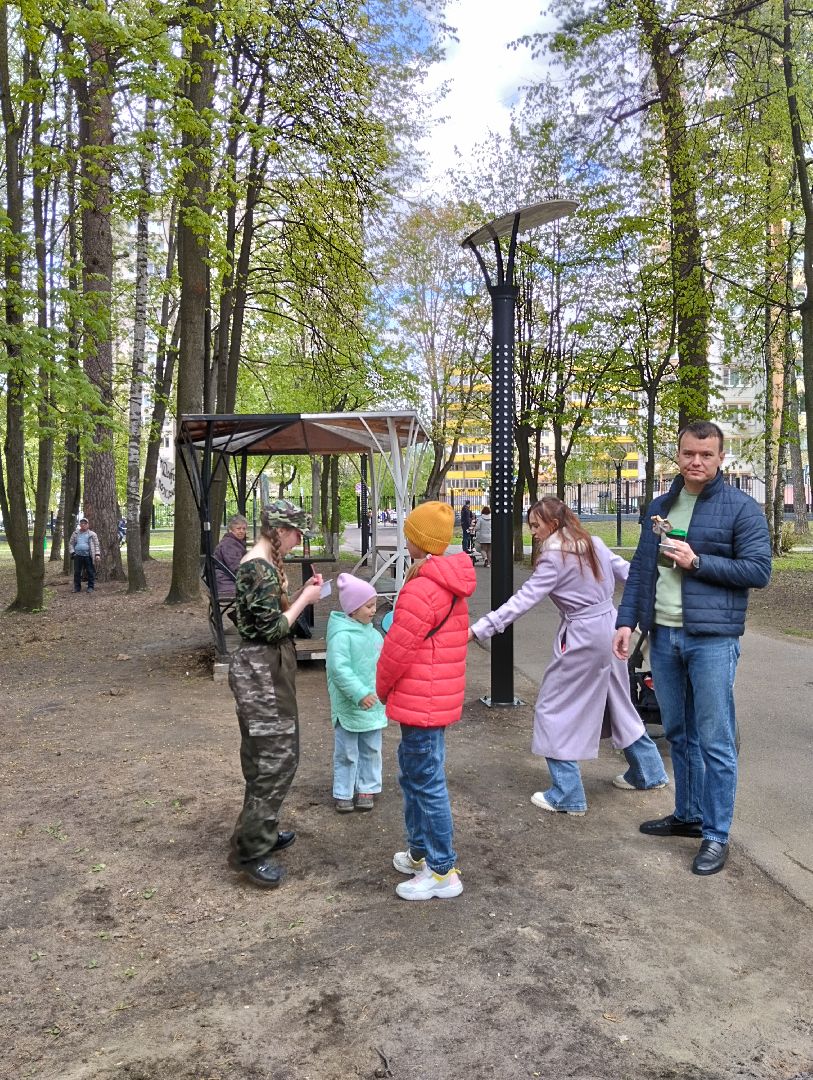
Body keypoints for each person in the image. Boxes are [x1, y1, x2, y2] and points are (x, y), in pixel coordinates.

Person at [612, 421, 771, 876]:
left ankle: (716, 835)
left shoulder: (741, 508)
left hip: (712, 640)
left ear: (721, 458)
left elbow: (759, 570)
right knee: (678, 733)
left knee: (715, 741)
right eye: (688, 454)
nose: (695, 461)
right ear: (677, 456)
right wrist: (626, 621)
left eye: (705, 454)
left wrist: (697, 562)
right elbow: (643, 568)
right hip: (663, 636)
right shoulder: (660, 506)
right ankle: (687, 815)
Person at [469, 497, 668, 816]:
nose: (533, 532)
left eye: (536, 525)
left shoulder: (555, 555)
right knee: (618, 700)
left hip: (582, 637)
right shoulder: (594, 543)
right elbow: (631, 575)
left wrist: (479, 629)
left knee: (553, 708)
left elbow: (521, 601)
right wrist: (667, 594)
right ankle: (649, 771)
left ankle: (567, 793)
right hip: (613, 627)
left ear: (554, 524)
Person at [376, 501, 476, 900]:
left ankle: (441, 869)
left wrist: (382, 688)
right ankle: (421, 852)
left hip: (421, 698)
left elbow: (396, 650)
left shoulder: (422, 588)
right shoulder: (449, 582)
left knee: (427, 781)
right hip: (434, 696)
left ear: (417, 540)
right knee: (416, 774)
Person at [227, 499, 324, 889]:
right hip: (261, 670)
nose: (299, 540)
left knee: (267, 755)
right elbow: (270, 629)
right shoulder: (257, 568)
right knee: (275, 759)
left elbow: (263, 615)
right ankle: (251, 849)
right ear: (279, 530)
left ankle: (257, 832)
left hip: (266, 669)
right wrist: (304, 601)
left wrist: (299, 592)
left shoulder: (263, 565)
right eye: (296, 532)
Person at [326, 574, 387, 813]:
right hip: (350, 706)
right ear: (352, 609)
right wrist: (360, 693)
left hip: (372, 704)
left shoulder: (373, 634)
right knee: (347, 751)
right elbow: (338, 670)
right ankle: (343, 791)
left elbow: (381, 664)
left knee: (372, 749)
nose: (374, 611)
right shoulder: (341, 637)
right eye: (369, 606)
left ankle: (367, 788)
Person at [212, 514, 248, 597]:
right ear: (230, 530)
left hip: (228, 582)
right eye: (238, 528)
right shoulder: (228, 545)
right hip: (226, 584)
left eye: (244, 529)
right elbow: (237, 568)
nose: (242, 531)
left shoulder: (233, 543)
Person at [69, 517, 101, 593]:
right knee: (77, 572)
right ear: (80, 524)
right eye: (81, 523)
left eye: (85, 523)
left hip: (88, 555)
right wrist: (73, 552)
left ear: (88, 525)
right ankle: (77, 588)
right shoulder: (75, 533)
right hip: (77, 555)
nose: (83, 525)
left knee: (90, 571)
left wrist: (97, 554)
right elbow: (71, 544)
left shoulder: (92, 534)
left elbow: (97, 545)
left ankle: (90, 587)